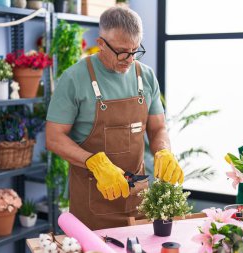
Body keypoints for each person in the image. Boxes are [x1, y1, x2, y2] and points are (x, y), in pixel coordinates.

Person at [45, 6, 184, 230]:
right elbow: (53, 138)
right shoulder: (74, 78)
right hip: (92, 202)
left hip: (139, 201)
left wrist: (163, 150)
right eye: (121, 51)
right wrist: (94, 162)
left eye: (135, 50)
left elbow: (158, 128)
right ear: (101, 43)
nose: (129, 59)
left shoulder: (145, 76)